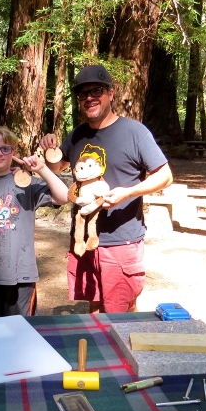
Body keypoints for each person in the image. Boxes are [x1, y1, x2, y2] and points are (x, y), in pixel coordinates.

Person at [40, 65, 173, 314]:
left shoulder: (134, 132)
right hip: (85, 240)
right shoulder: (78, 134)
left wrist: (128, 192)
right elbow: (58, 166)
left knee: (121, 313)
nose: (90, 98)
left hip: (120, 240)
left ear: (110, 93)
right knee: (94, 307)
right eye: (83, 94)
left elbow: (165, 176)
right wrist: (49, 149)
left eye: (96, 90)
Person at [0, 126, 69, 318]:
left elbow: (64, 196)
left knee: (22, 331)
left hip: (22, 275)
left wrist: (42, 169)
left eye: (6, 148)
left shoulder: (28, 184)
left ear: (14, 152)